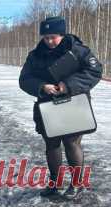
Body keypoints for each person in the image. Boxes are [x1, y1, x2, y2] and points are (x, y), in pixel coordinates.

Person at [19, 16, 102, 199]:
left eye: (53, 37)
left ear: (62, 35)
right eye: (46, 37)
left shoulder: (78, 49)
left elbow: (95, 71)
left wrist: (68, 84)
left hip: (73, 102)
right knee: (52, 145)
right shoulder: (35, 55)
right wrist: (42, 86)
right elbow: (24, 80)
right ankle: (55, 183)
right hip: (48, 105)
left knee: (72, 143)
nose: (49, 41)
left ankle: (76, 184)